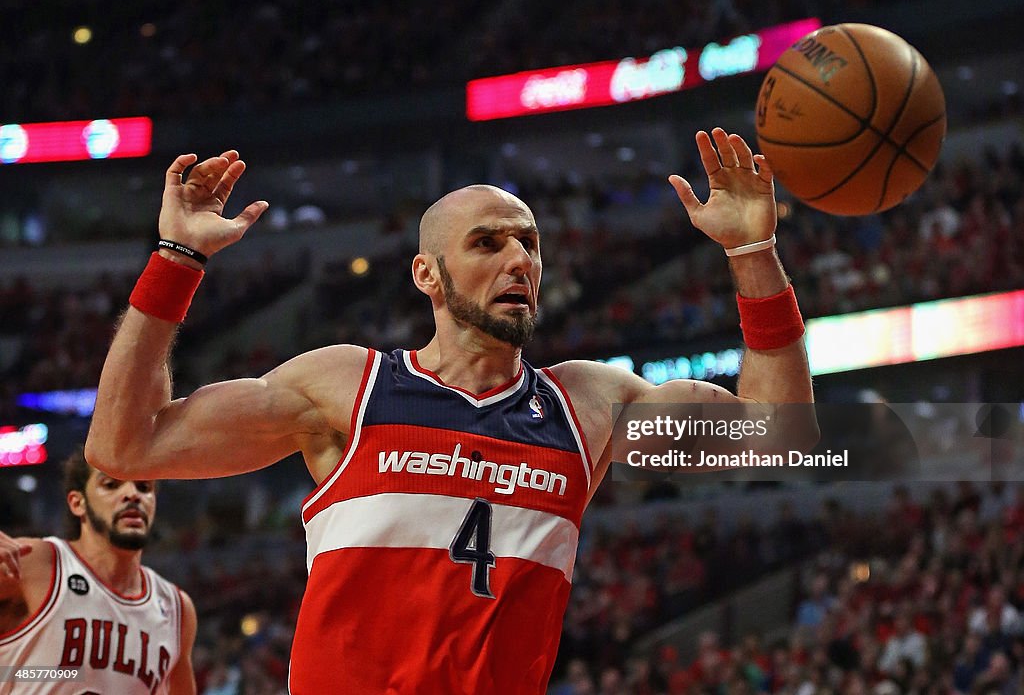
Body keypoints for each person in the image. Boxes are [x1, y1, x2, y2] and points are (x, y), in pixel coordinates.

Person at [86, 127, 814, 694]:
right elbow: (126, 444)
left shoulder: (589, 404)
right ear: (427, 275)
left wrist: (753, 250)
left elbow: (780, 438)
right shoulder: (348, 386)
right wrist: (176, 259)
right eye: (488, 244)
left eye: (529, 243)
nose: (519, 261)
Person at [0, 446, 196, 694]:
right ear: (77, 503)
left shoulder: (177, 609)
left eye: (144, 487)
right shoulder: (38, 562)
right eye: (111, 485)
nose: (132, 495)